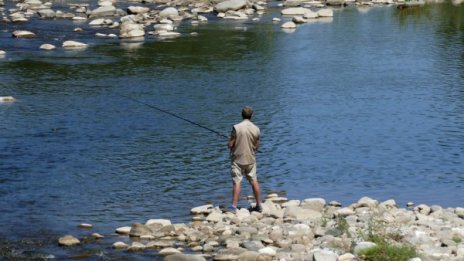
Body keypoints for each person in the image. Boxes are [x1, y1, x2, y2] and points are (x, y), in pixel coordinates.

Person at [227, 106, 262, 212]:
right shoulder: (256, 129)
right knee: (254, 180)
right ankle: (259, 205)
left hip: (237, 159)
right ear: (252, 115)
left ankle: (234, 206)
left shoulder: (236, 127)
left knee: (237, 181)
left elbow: (230, 144)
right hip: (250, 159)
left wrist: (229, 143)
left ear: (242, 115)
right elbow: (256, 146)